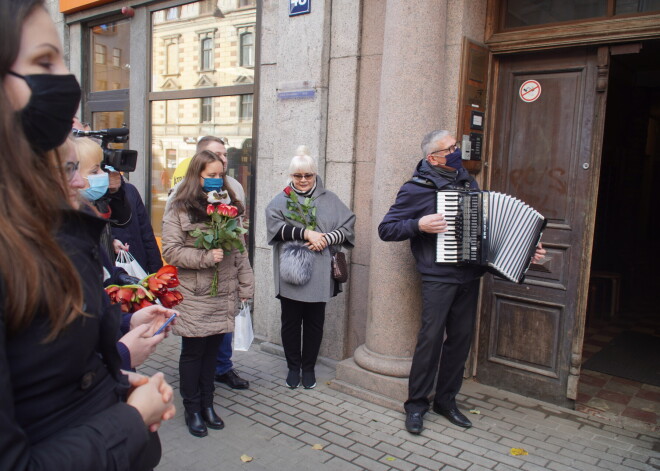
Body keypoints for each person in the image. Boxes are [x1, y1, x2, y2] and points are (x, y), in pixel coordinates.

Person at [0, 1, 175, 469]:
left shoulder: (40, 221)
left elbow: (47, 379)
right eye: (43, 62)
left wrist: (115, 377)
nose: (67, 84)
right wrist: (130, 420)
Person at [378, 130, 546, 435]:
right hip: (438, 276)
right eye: (450, 148)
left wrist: (526, 247)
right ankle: (416, 405)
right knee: (430, 340)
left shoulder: (467, 181)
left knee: (460, 340)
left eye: (457, 145)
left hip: (469, 274)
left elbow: (485, 228)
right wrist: (418, 224)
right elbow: (386, 229)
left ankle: (445, 401)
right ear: (433, 158)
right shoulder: (415, 189)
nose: (457, 151)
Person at [162, 149, 254, 438]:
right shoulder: (179, 206)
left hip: (223, 290)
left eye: (220, 175)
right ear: (196, 176)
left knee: (213, 351)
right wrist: (204, 256)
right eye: (210, 176)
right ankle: (192, 408)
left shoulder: (229, 206)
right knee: (194, 352)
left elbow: (239, 250)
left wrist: (246, 285)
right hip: (194, 292)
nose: (216, 180)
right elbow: (171, 250)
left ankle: (208, 405)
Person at [265, 146, 355, 389]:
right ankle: (293, 367)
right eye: (298, 176)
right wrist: (306, 233)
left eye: (308, 176)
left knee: (315, 323)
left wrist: (326, 238)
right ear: (291, 176)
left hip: (320, 272)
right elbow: (274, 226)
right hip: (291, 271)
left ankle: (308, 368)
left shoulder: (330, 199)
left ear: (315, 175)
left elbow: (348, 227)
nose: (303, 180)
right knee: (291, 322)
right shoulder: (281, 199)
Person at [72, 136, 132, 261]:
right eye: (94, 171)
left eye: (101, 167)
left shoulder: (97, 201)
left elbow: (123, 220)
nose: (103, 174)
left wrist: (110, 242)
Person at [111, 178, 164, 275]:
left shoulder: (130, 191)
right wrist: (110, 241)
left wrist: (157, 273)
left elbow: (147, 235)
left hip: (138, 269)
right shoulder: (88, 196)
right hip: (107, 273)